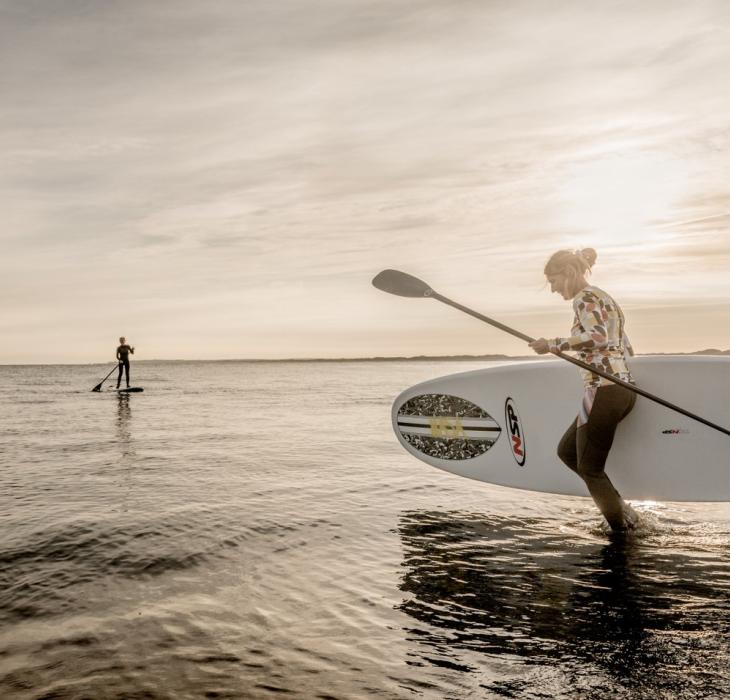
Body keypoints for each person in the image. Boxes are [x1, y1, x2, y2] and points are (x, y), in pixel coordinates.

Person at [528, 248, 639, 532]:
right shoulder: (605, 297)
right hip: (618, 389)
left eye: (553, 281)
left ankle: (621, 536)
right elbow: (624, 345)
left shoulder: (584, 298)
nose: (553, 289)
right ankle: (621, 509)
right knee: (567, 452)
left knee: (590, 469)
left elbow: (598, 336)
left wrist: (553, 344)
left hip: (604, 389)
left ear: (568, 274)